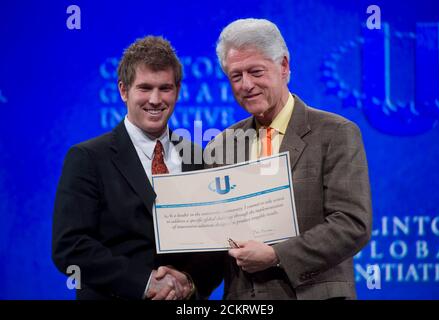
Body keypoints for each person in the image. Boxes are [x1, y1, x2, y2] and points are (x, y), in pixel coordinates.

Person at [205, 18, 372, 299]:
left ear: (284, 66)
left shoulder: (336, 133)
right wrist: (183, 279)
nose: (246, 85)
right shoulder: (221, 146)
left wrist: (276, 255)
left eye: (256, 71)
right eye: (236, 76)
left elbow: (352, 223)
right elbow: (211, 237)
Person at [52, 36, 221, 300]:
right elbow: (70, 247)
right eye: (144, 88)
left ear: (177, 90)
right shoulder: (88, 158)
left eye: (165, 88)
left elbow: (214, 242)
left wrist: (189, 281)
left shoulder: (197, 158)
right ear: (123, 90)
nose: (155, 99)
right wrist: (144, 283)